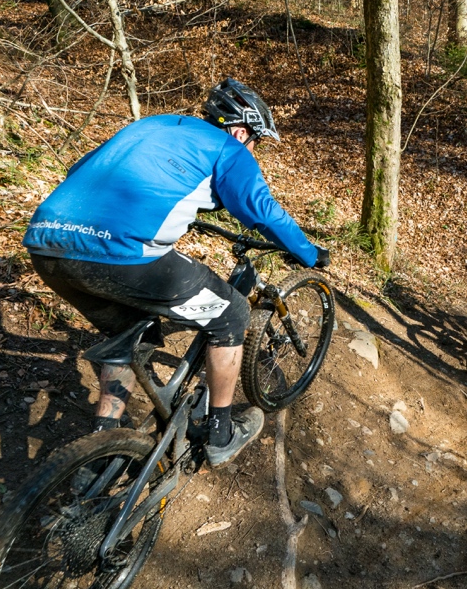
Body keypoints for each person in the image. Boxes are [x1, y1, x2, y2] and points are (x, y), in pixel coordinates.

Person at [23, 78, 328, 468]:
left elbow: (83, 169)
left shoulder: (151, 125)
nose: (253, 150)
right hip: (118, 250)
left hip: (46, 241)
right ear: (239, 130)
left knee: (128, 331)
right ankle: (219, 435)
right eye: (256, 142)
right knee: (232, 313)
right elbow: (261, 211)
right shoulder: (230, 149)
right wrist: (307, 252)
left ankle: (103, 444)